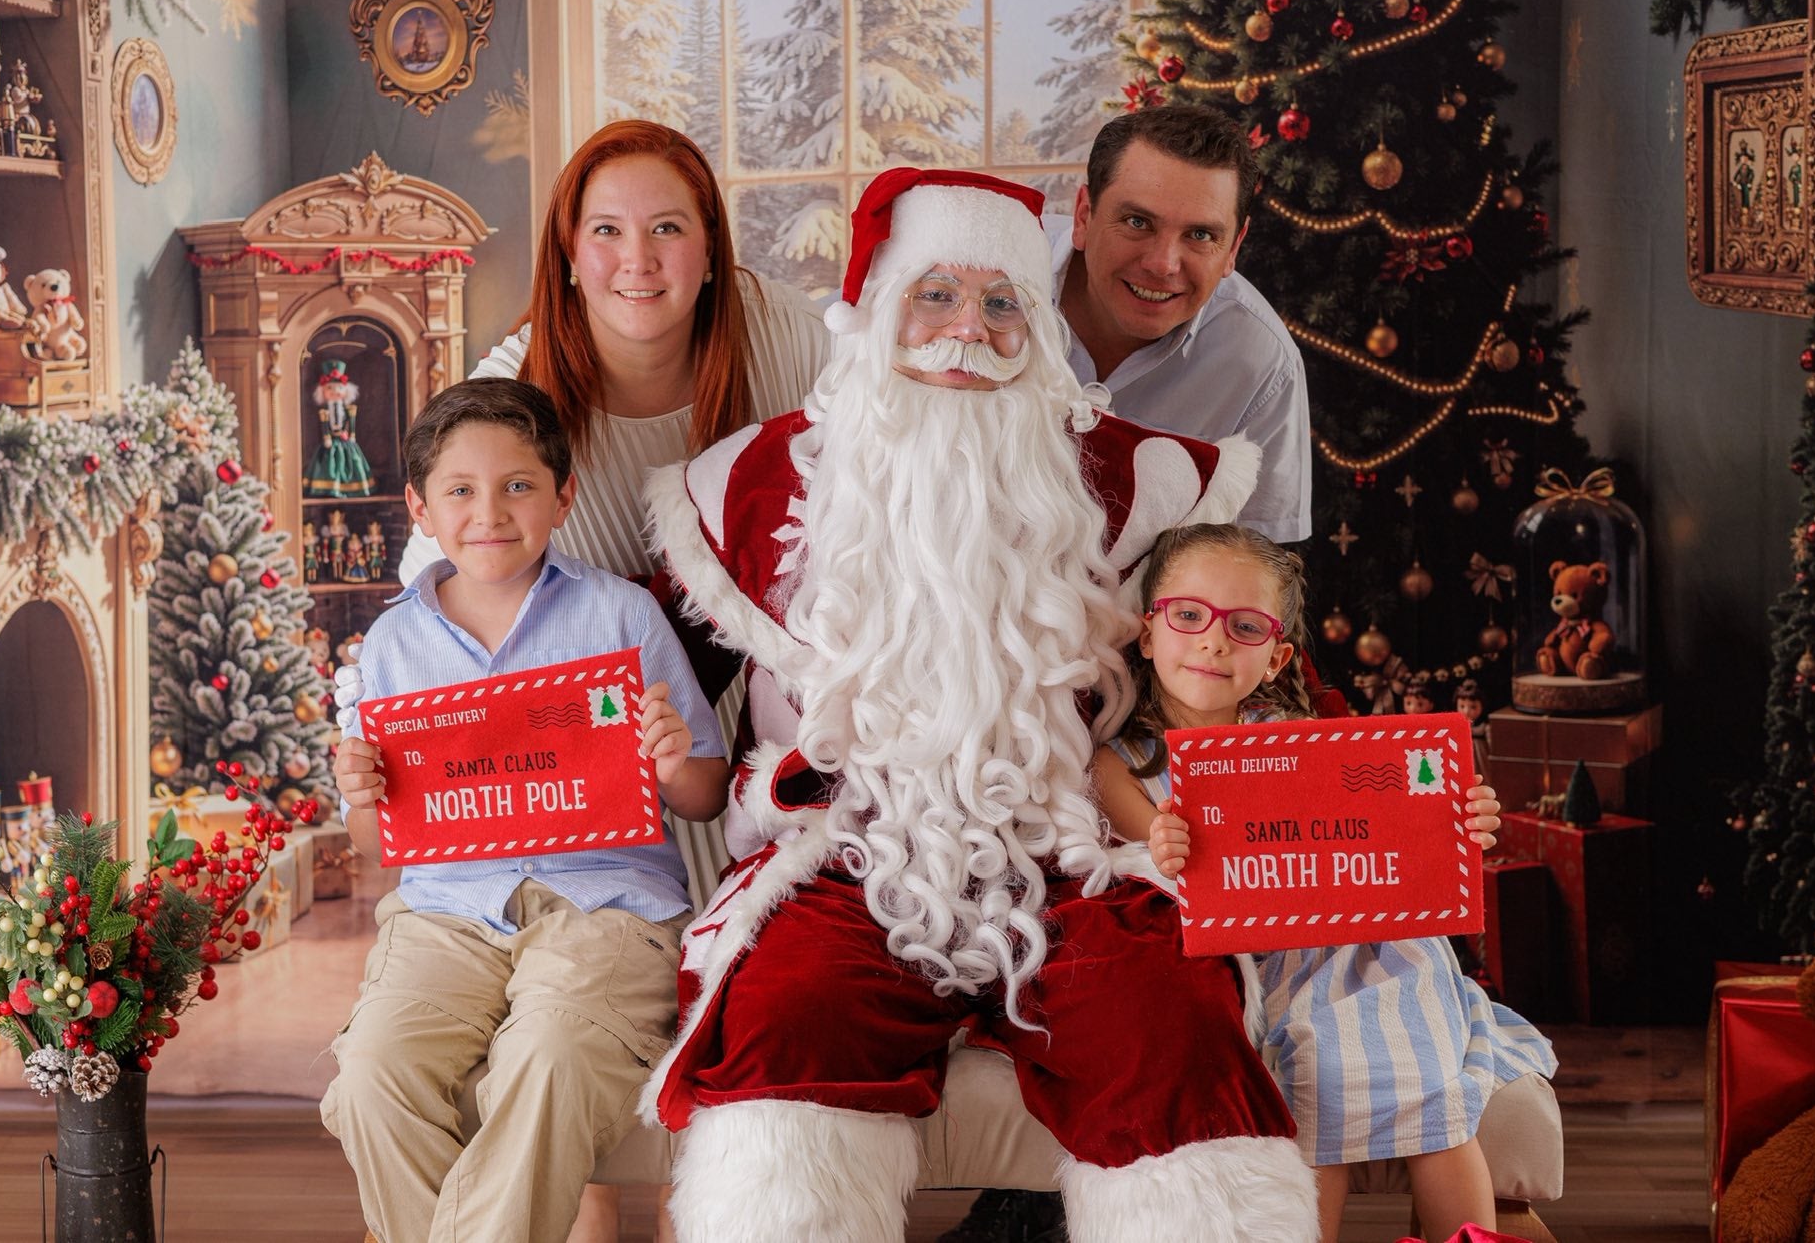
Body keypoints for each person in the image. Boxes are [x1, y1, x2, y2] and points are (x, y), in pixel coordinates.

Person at [643, 168, 1314, 1243]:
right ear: (876, 312)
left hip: (1076, 855)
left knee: (1170, 1020)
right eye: (936, 295)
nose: (968, 330)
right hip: (848, 858)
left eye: (1002, 302)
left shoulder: (1139, 482)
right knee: (785, 1022)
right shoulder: (753, 486)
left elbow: (1252, 653)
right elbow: (644, 666)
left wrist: (1388, 798)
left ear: (1037, 327)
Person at [339, 119, 828, 1242]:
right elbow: (439, 608)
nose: (637, 260)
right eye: (605, 230)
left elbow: (871, 485)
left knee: (626, 1035)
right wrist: (375, 748)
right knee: (548, 1110)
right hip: (565, 755)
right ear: (567, 252)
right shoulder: (513, 391)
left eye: (668, 228)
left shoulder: (778, 339)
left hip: (727, 737)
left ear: (712, 247)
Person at [321, 379, 730, 1243]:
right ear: (420, 509)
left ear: (563, 496)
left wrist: (670, 761)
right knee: (369, 1075)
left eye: (518, 485)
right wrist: (362, 796)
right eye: (460, 490)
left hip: (606, 909)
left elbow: (704, 795)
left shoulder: (621, 614)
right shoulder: (393, 643)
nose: (490, 513)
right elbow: (378, 847)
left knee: (548, 1054)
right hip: (446, 913)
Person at [1096, 523, 1558, 1243]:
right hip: (1260, 958)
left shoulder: (1302, 737)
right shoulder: (1120, 763)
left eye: (1245, 627)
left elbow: (1393, 821)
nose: (1214, 643)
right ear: (1149, 633)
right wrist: (1164, 844)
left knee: (1436, 1097)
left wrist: (1458, 816)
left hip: (1368, 942)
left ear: (1276, 657)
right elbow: (1148, 867)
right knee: (1319, 1086)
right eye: (1189, 616)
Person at [1051, 103, 1311, 543]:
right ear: (1083, 216)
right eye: (1137, 222)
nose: (1163, 264)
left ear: (1234, 247)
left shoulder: (1264, 363)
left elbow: (1257, 562)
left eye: (1201, 235)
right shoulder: (980, 281)